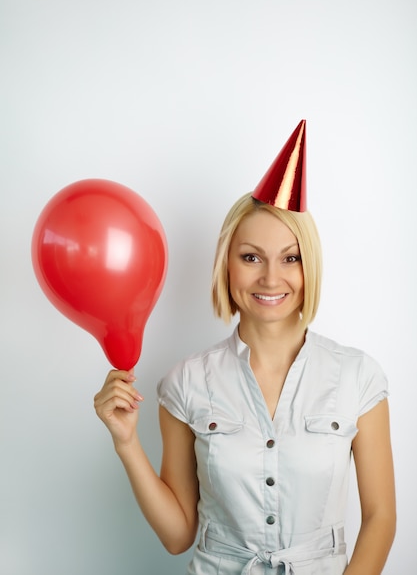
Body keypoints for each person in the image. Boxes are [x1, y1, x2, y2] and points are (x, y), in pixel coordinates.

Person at [94, 120, 396, 574]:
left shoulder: (359, 378)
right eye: (251, 256)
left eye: (290, 258)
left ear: (308, 267)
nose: (271, 278)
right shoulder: (185, 384)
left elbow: (380, 519)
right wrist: (126, 442)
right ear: (227, 265)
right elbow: (178, 537)